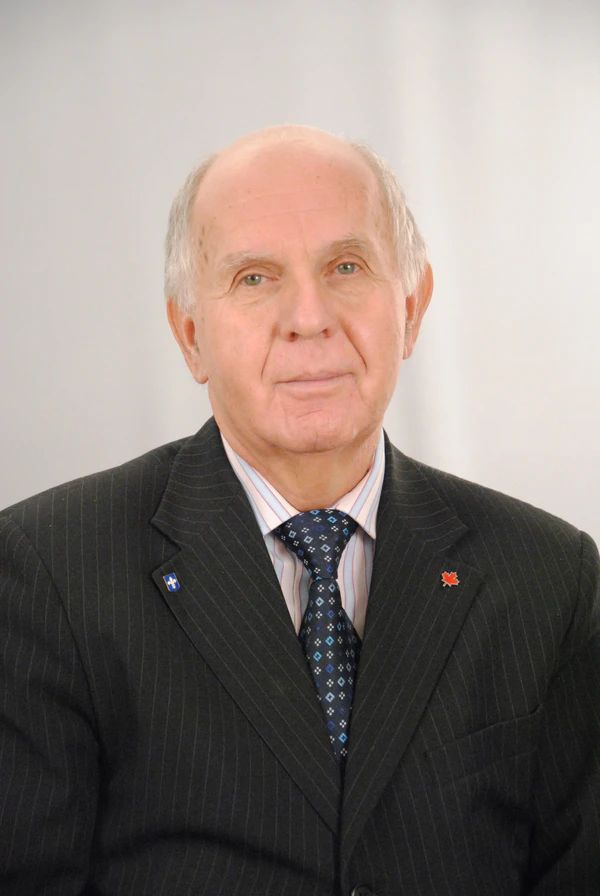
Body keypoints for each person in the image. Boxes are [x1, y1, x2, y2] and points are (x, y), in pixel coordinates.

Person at [0, 125, 598, 896]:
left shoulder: (548, 578)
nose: (309, 317)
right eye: (254, 278)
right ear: (190, 334)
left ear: (412, 307)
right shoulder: (50, 573)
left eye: (346, 267)